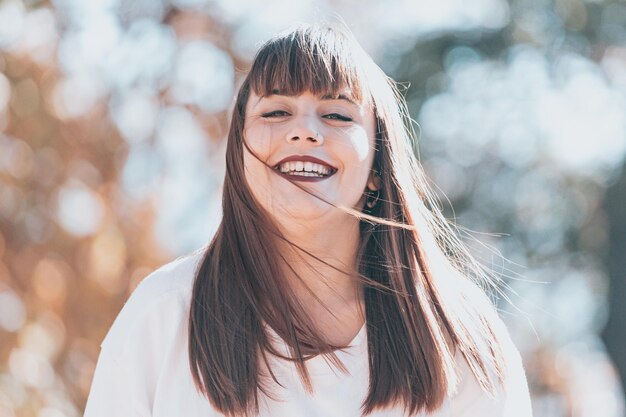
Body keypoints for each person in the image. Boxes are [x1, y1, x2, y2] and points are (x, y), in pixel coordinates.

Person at [84, 23, 533, 417]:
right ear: (239, 157)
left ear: (378, 168)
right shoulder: (163, 316)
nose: (304, 130)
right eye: (275, 111)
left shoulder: (459, 339)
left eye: (337, 114)